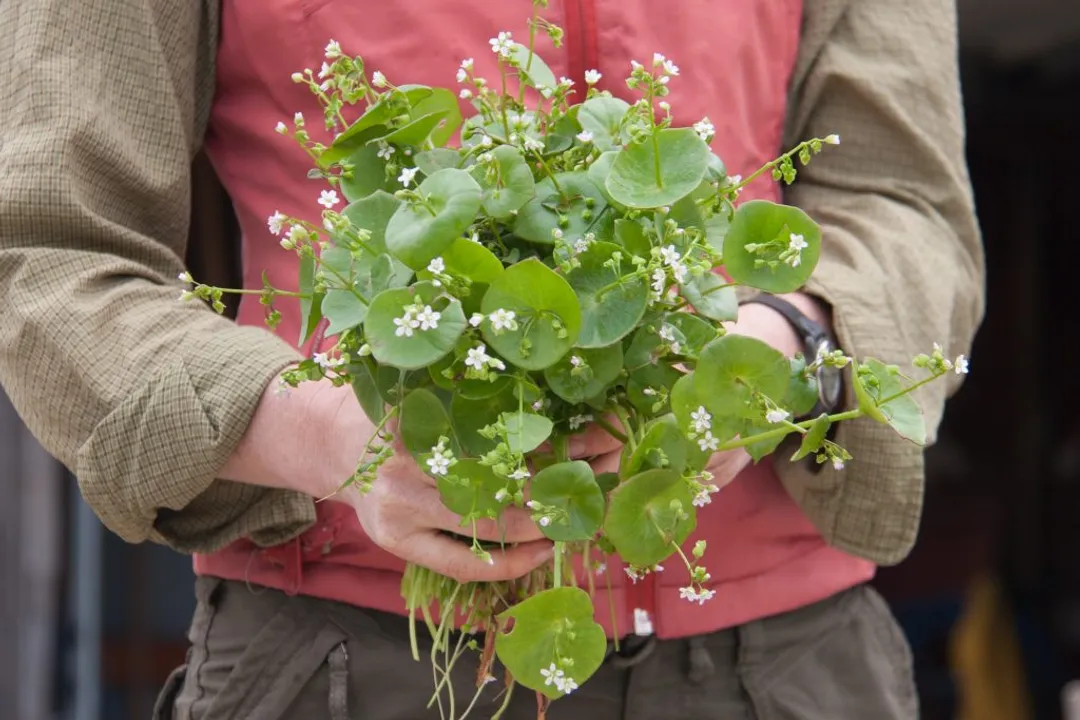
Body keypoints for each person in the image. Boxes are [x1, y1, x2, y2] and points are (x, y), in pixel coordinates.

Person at [0, 0, 984, 717]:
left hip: (787, 667)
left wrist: (776, 351)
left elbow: (907, 209)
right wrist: (329, 436)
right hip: (352, 665)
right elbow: (50, 257)